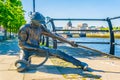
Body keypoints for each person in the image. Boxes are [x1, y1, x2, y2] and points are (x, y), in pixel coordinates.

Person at [15, 12, 88, 72]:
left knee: (58, 52)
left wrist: (69, 42)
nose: (41, 24)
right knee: (20, 67)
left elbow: (54, 35)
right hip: (26, 50)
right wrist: (37, 48)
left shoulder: (40, 27)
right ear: (34, 21)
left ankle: (80, 64)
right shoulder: (24, 28)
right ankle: (25, 60)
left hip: (38, 49)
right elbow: (22, 45)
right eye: (40, 22)